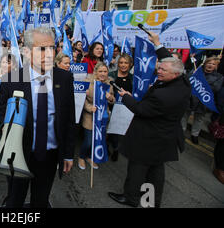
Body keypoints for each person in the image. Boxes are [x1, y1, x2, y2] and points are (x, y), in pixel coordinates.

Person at [0, 26, 76, 208]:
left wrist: (68, 153)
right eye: (42, 49)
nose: (49, 54)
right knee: (15, 201)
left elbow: (69, 119)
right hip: (19, 153)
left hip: (49, 155)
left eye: (52, 48)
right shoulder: (12, 79)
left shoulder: (65, 78)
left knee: (41, 200)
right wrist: (6, 128)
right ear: (28, 52)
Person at [108, 32, 191, 208]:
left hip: (148, 139)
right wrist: (157, 44)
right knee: (155, 170)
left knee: (137, 169)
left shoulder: (164, 96)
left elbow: (139, 109)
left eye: (162, 70)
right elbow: (170, 61)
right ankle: (151, 201)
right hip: (165, 138)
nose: (158, 71)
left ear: (174, 74)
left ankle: (130, 198)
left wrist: (126, 96)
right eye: (158, 67)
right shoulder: (183, 81)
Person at [78, 62, 115, 170]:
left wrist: (110, 98)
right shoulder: (88, 82)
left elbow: (113, 101)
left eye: (105, 71)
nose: (103, 74)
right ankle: (81, 156)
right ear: (95, 72)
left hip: (102, 117)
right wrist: (90, 108)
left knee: (97, 139)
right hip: (90, 116)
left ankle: (90, 157)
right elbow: (82, 100)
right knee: (89, 140)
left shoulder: (109, 84)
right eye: (100, 71)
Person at [182, 56, 223, 144]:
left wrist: (201, 82)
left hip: (203, 101)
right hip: (190, 98)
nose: (210, 65)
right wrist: (194, 74)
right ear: (205, 63)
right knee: (185, 115)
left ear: (216, 66)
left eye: (213, 64)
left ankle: (195, 135)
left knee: (199, 118)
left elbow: (216, 88)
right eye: (209, 63)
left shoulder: (219, 77)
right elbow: (187, 80)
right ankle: (181, 132)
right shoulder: (196, 70)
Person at [108, 54, 134, 161]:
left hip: (126, 109)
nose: (123, 65)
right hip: (112, 106)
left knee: (120, 131)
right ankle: (110, 146)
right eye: (121, 62)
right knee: (111, 129)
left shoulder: (133, 79)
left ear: (130, 65)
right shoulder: (111, 75)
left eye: (126, 63)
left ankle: (116, 149)